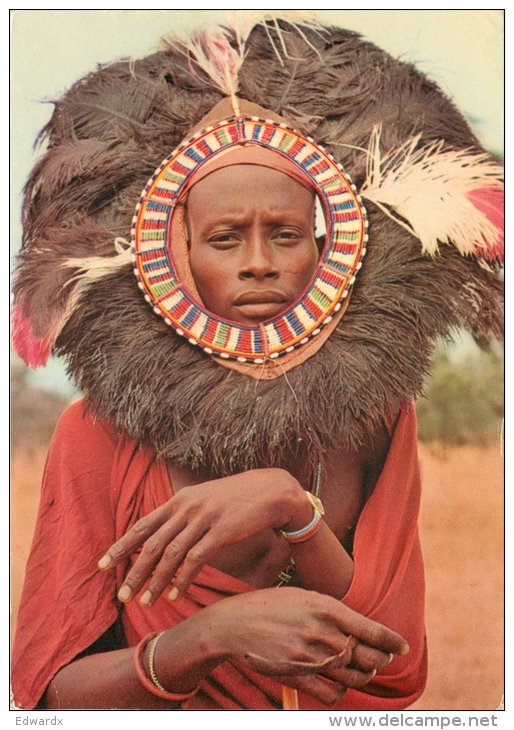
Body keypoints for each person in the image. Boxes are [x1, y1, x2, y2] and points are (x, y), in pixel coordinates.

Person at [11, 14, 503, 711]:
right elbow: (50, 701)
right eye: (224, 238)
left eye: (285, 234)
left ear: (327, 247)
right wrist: (212, 636)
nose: (258, 264)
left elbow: (395, 666)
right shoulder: (99, 435)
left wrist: (287, 507)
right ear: (175, 254)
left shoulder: (375, 419)